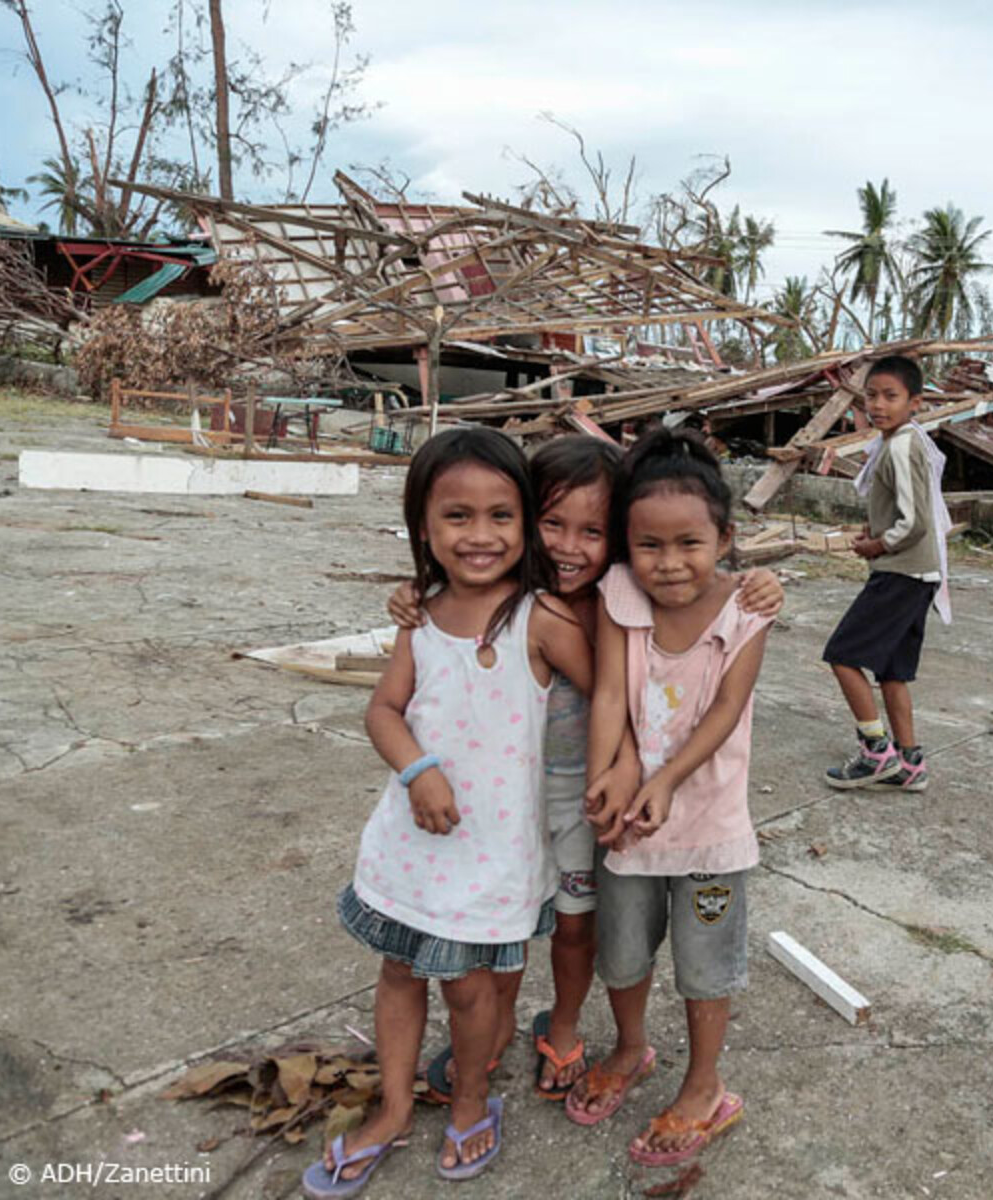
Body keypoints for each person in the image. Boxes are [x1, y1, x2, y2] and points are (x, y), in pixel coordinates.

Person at [385, 436, 784, 1105]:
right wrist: (409, 594)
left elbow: (624, 696)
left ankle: (565, 1023)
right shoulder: (501, 593)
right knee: (500, 918)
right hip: (497, 796)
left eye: (594, 531)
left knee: (576, 921)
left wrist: (755, 579)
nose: (570, 546)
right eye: (551, 523)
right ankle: (495, 1027)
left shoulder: (614, 600)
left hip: (589, 794)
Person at [304, 427, 593, 1197]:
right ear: (423, 528)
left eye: (501, 515)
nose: (480, 535)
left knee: (468, 989)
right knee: (398, 971)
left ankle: (470, 1100)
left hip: (494, 854)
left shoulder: (542, 619)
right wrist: (417, 768)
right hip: (412, 841)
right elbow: (383, 710)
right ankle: (394, 1108)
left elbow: (617, 690)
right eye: (456, 517)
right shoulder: (420, 616)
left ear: (526, 523)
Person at [567, 426, 772, 1169]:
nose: (670, 563)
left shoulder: (748, 610)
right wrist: (606, 780)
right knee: (621, 952)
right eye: (649, 545)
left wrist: (661, 780)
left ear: (725, 536)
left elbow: (724, 712)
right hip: (629, 825)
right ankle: (630, 1049)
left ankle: (706, 1084)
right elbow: (611, 697)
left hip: (710, 829)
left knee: (705, 962)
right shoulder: (620, 595)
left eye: (690, 543)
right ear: (627, 545)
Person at [820, 355, 951, 792]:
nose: (878, 405)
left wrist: (877, 544)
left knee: (842, 654)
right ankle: (910, 762)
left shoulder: (901, 445)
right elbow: (904, 509)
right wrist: (873, 530)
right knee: (893, 671)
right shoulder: (902, 440)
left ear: (915, 402)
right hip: (919, 574)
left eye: (890, 397)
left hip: (900, 572)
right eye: (871, 396)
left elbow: (914, 522)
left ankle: (876, 752)